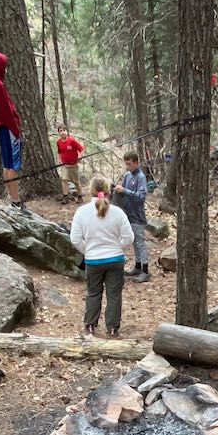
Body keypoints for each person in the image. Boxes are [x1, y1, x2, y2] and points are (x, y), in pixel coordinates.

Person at [71, 176, 132, 338]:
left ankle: (90, 325)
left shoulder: (82, 212)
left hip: (93, 260)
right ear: (108, 191)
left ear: (90, 190)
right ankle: (112, 328)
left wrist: (88, 250)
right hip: (115, 259)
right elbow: (129, 237)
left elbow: (75, 238)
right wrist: (118, 247)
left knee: (93, 292)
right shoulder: (118, 213)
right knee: (114, 295)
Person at [0, 50, 27, 212]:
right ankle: (15, 200)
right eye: (4, 66)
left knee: (7, 163)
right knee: (12, 165)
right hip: (7, 127)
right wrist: (16, 131)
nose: (5, 70)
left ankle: (13, 198)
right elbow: (6, 111)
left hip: (0, 128)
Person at [116, 151, 150, 283]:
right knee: (134, 242)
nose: (127, 167)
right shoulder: (127, 175)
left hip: (137, 215)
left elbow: (141, 196)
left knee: (140, 243)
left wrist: (125, 191)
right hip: (128, 214)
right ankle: (137, 266)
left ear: (136, 163)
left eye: (129, 164)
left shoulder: (141, 177)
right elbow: (123, 190)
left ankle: (145, 271)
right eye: (126, 164)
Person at [56, 126, 85, 202]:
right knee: (64, 180)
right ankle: (65, 196)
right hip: (64, 165)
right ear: (58, 133)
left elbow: (81, 149)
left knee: (76, 181)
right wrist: (59, 160)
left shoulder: (72, 141)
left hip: (73, 164)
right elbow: (59, 152)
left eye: (64, 130)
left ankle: (80, 196)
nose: (62, 132)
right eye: (60, 131)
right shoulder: (58, 142)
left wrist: (80, 157)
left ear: (67, 132)